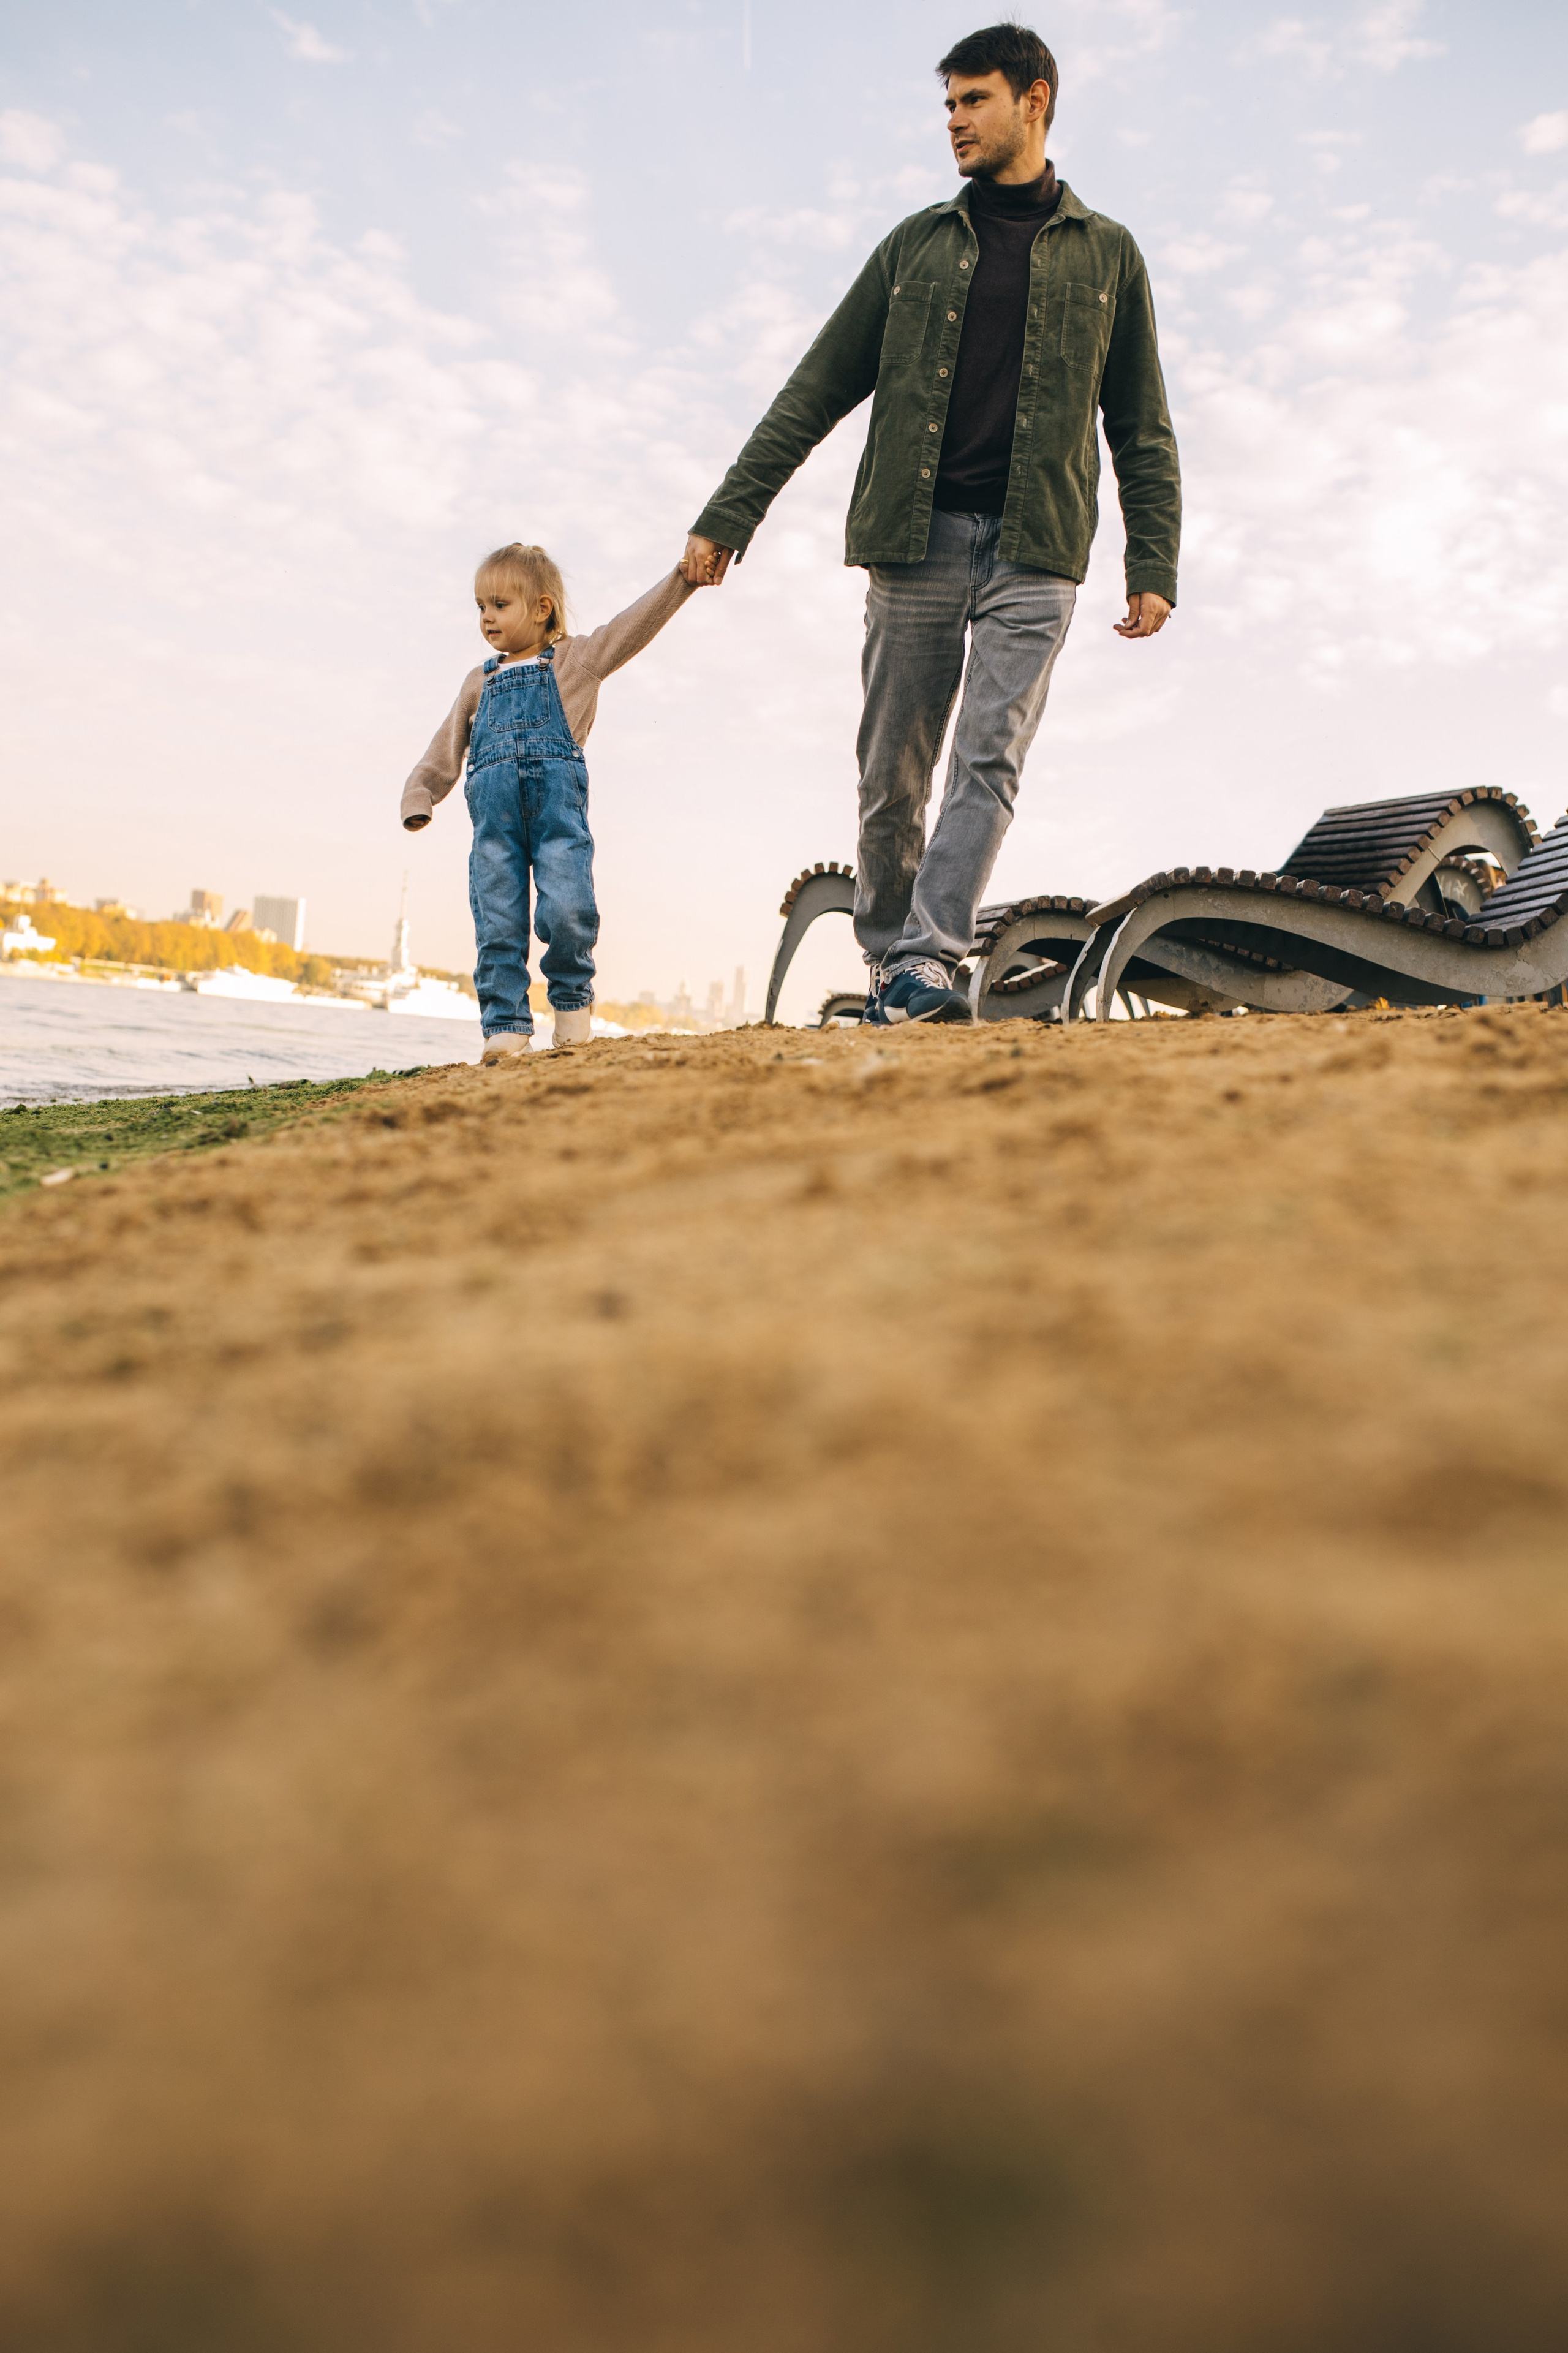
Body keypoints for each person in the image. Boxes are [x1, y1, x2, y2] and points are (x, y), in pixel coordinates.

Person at [682, 22, 1180, 1025]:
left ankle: (927, 961)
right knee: (891, 775)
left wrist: (1153, 558)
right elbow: (815, 388)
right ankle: (888, 963)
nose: (954, 120)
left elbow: (1140, 421)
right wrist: (733, 510)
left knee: (989, 760)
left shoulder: (1109, 256)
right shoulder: (915, 247)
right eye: (948, 103)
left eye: (974, 99)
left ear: (1034, 101)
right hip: (916, 542)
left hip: (1038, 550)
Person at [401, 545, 701, 1059]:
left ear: (542, 608)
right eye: (480, 606)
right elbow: (445, 744)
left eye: (500, 605)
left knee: (567, 911)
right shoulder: (479, 681)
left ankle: (571, 1003)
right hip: (494, 833)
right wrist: (421, 791)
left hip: (557, 823)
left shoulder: (576, 662)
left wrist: (683, 580)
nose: (486, 617)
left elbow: (633, 626)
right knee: (497, 923)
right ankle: (506, 1024)